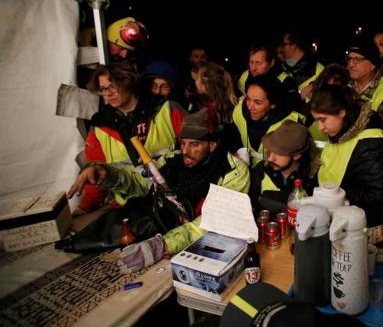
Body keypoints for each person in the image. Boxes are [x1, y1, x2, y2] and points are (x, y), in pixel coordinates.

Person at [67, 108, 250, 256]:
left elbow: (214, 221)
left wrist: (164, 245)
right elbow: (141, 184)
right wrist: (107, 174)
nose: (185, 151)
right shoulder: (172, 160)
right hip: (157, 233)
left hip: (193, 246)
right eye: (183, 143)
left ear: (212, 145)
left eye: (194, 145)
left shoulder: (233, 172)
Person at [77, 64, 187, 214]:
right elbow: (95, 173)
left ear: (127, 83)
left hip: (174, 196)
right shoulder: (100, 126)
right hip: (130, 206)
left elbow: (197, 149)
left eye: (112, 87)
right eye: (103, 89)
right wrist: (84, 208)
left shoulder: (166, 109)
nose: (108, 94)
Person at [309, 85, 383, 227]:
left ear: (341, 112)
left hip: (358, 225)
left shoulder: (368, 144)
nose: (320, 127)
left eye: (323, 120)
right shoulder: (339, 133)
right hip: (335, 217)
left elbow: (379, 195)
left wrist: (335, 195)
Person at [229, 73, 305, 167]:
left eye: (257, 102)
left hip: (273, 175)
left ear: (273, 104)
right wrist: (236, 152)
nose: (249, 106)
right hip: (243, 171)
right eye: (248, 99)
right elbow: (232, 135)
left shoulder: (291, 124)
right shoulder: (239, 111)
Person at [249, 120, 320, 212]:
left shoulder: (311, 177)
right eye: (270, 151)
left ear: (296, 155)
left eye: (279, 154)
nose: (270, 158)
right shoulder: (262, 170)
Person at [346, 39, 383, 133]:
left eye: (357, 60)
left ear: (373, 65)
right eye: (349, 59)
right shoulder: (344, 85)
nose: (351, 65)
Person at [236, 43, 301, 111]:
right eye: (251, 62)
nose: (253, 68)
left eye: (258, 63)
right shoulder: (245, 76)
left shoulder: (286, 82)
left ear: (271, 63)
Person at [280, 29, 324, 99]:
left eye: (284, 44)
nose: (282, 48)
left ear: (293, 45)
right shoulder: (281, 69)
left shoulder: (319, 70)